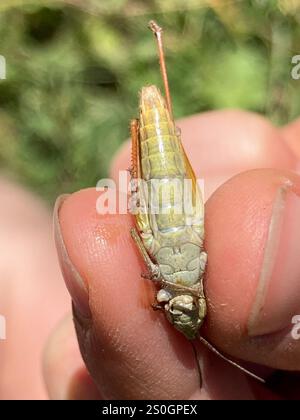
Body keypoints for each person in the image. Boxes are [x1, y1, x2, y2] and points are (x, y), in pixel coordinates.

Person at [46, 110, 300, 400]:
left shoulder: (163, 283)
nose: (184, 312)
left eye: (177, 316)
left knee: (138, 211)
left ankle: (139, 129)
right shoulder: (201, 267)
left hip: (158, 214)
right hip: (183, 205)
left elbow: (137, 237)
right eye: (193, 315)